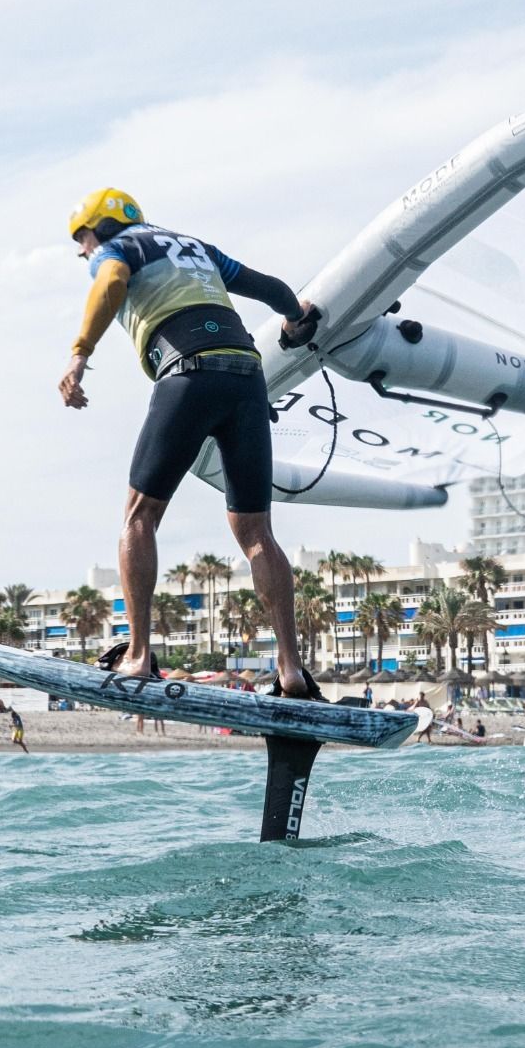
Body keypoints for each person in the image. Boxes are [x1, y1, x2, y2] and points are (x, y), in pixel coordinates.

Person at [58, 187, 322, 697]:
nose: (83, 251)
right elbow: (271, 288)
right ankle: (291, 671)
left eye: (83, 239)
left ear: (100, 227)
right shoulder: (194, 247)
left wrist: (78, 355)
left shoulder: (120, 252)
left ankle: (137, 656)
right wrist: (294, 316)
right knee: (256, 533)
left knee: (139, 515)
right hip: (247, 377)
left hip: (188, 374)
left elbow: (111, 281)